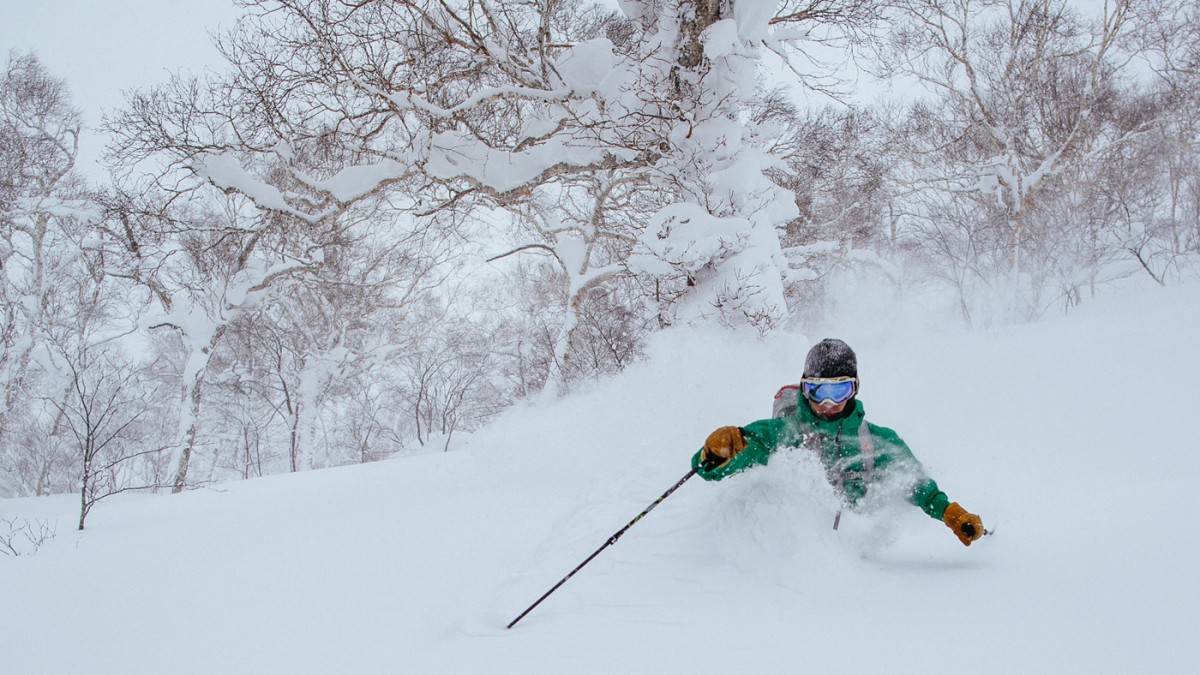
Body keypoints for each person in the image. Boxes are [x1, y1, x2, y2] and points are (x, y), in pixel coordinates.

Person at [691, 338, 985, 546]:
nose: (828, 403)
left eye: (840, 390)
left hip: (852, 569)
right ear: (806, 390)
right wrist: (717, 453)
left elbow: (914, 483)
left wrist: (949, 512)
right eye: (819, 391)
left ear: (854, 389)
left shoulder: (876, 441)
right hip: (791, 565)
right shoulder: (783, 432)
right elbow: (724, 460)